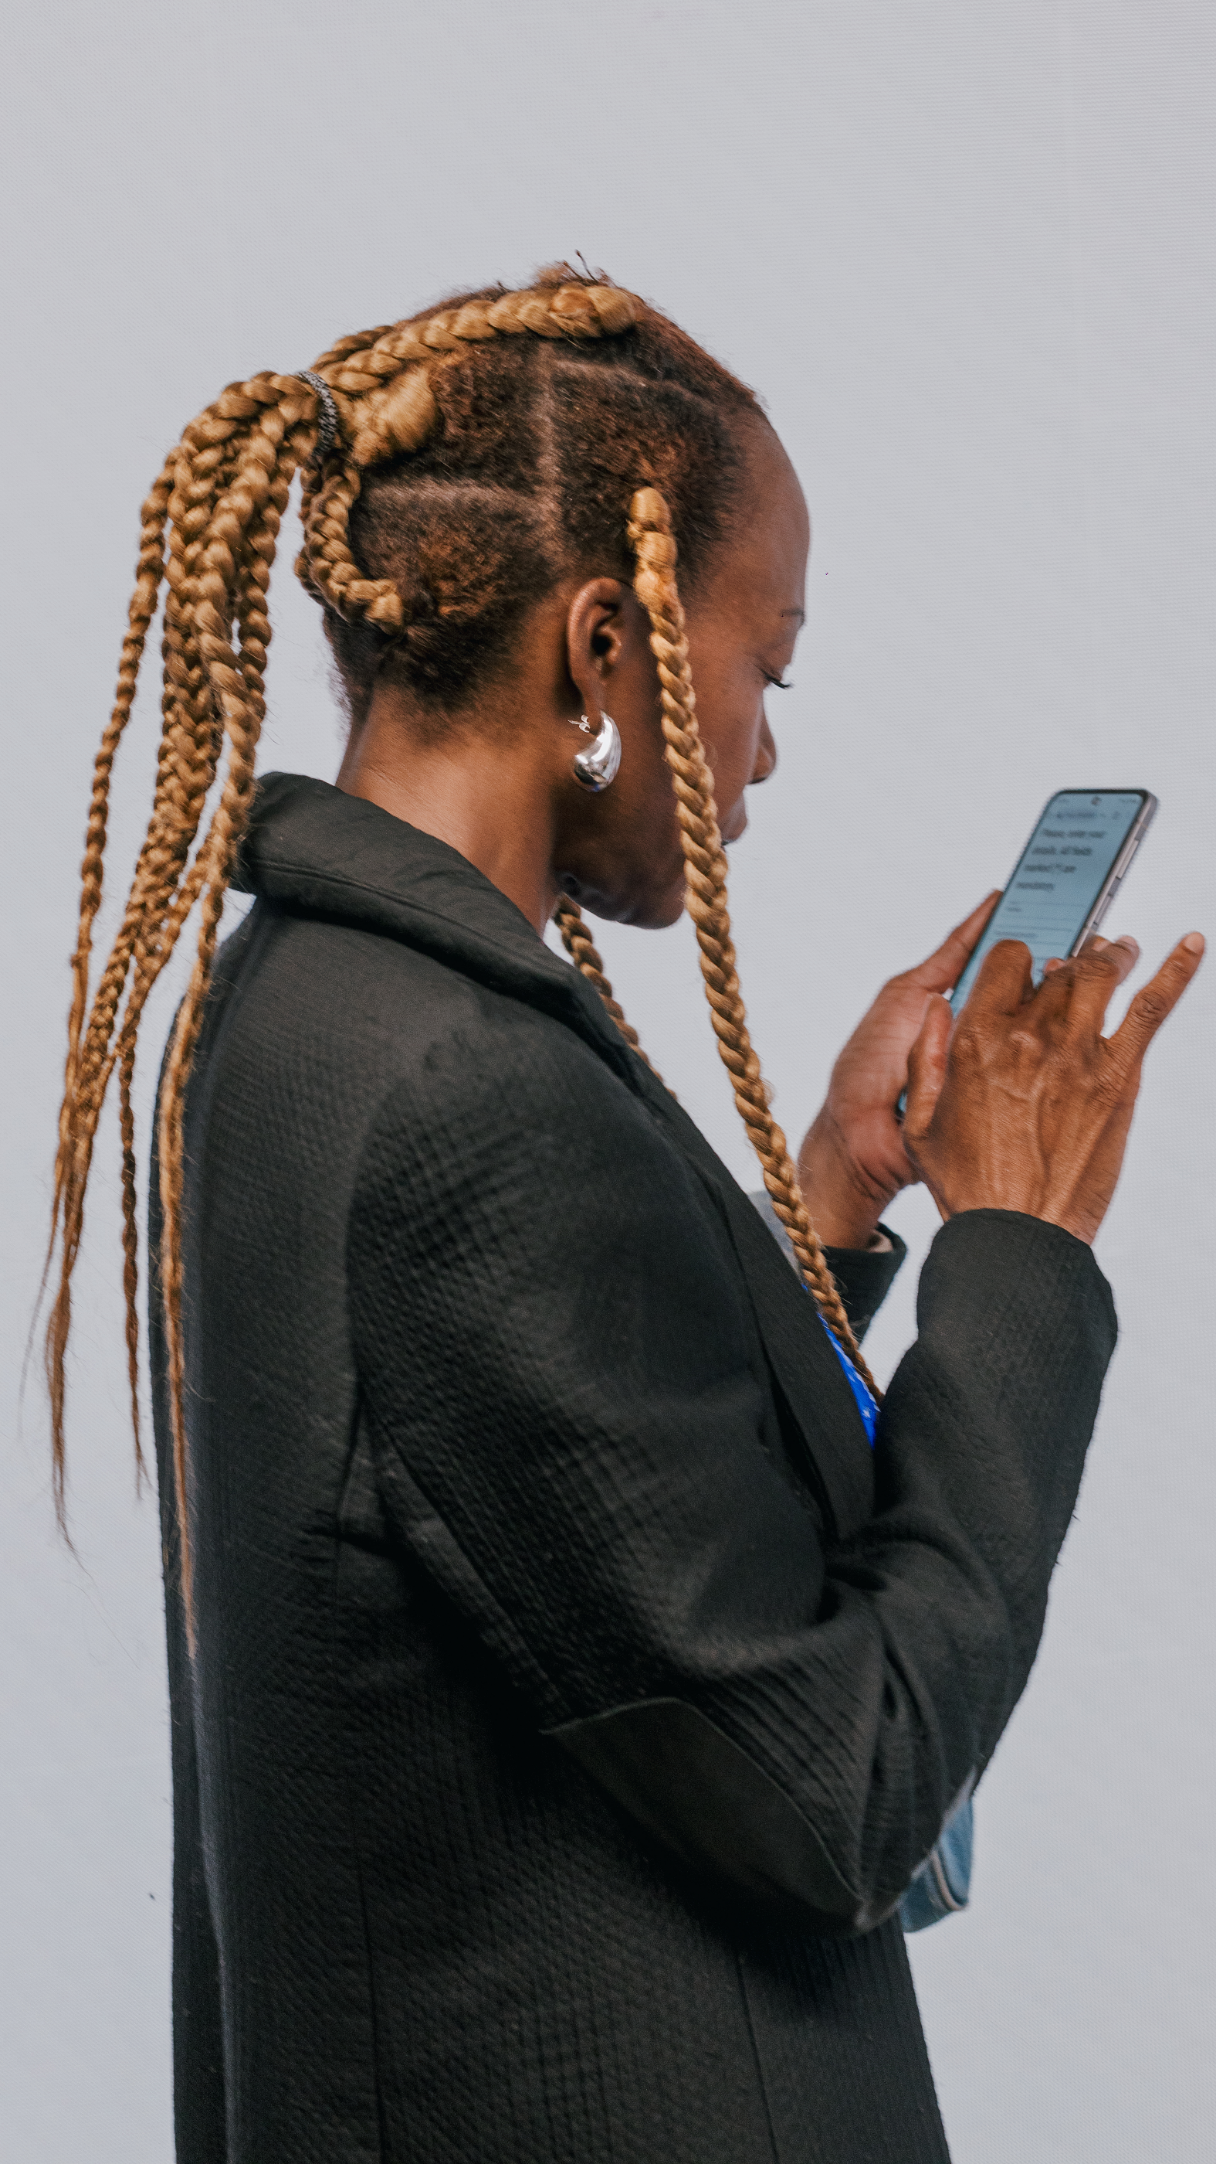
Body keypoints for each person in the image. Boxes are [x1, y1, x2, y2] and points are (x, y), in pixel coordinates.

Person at [45, 269, 1202, 2164]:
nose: (764, 750)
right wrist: (1022, 1252)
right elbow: (845, 1784)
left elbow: (580, 1521)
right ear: (602, 651)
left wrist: (833, 1199)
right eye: (766, 671)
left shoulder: (304, 1002)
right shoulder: (466, 1093)